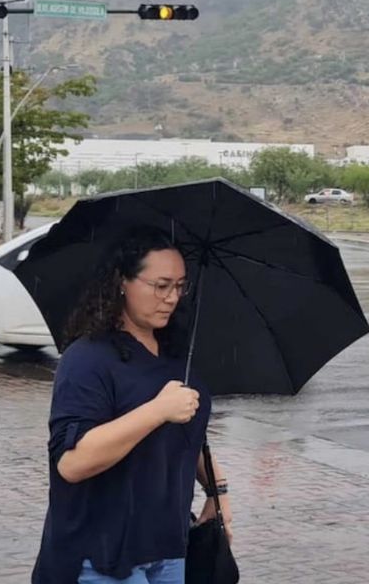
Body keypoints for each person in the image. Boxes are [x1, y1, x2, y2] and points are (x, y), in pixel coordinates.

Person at [33, 228, 233, 584]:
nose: (172, 298)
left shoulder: (176, 355)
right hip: (101, 557)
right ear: (123, 282)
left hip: (169, 547)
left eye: (180, 286)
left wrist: (218, 494)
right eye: (161, 285)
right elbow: (73, 463)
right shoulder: (88, 359)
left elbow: (188, 437)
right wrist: (157, 411)